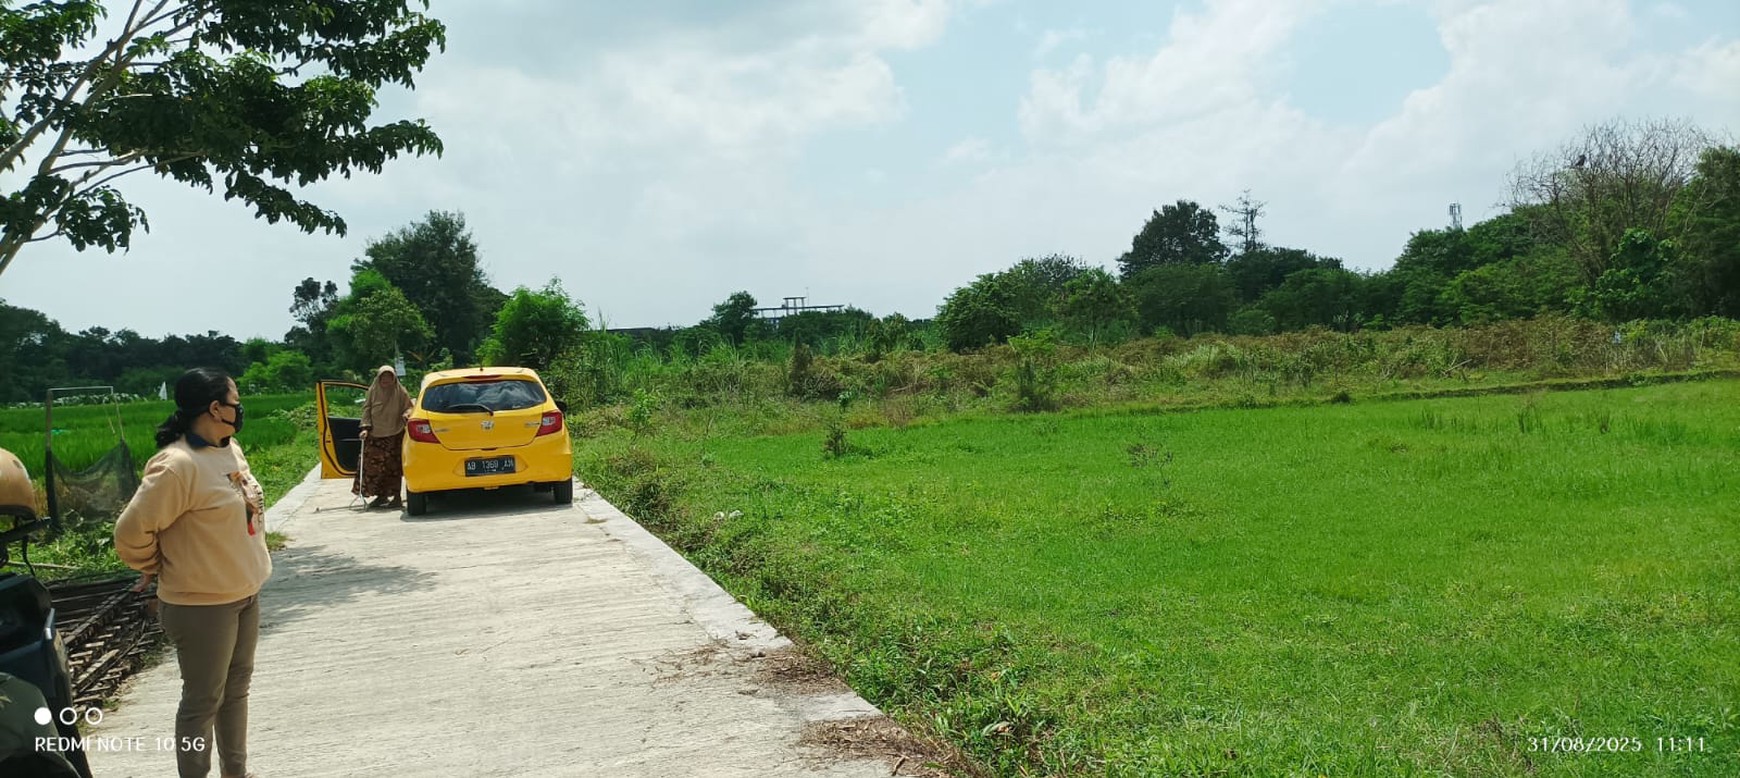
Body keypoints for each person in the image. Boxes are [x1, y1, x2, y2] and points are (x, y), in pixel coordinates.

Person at [114, 367, 269, 778]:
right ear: (215, 408)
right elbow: (130, 533)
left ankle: (236, 772)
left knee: (235, 692)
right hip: (202, 606)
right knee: (203, 702)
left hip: (244, 594)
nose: (240, 409)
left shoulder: (229, 450)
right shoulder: (177, 465)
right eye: (235, 402)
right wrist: (154, 564)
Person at [355, 365, 413, 509]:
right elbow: (367, 409)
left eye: (389, 377)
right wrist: (365, 428)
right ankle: (381, 497)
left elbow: (409, 406)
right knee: (375, 468)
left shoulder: (400, 392)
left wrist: (406, 414)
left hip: (395, 435)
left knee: (393, 468)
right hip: (376, 436)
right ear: (379, 378)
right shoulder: (373, 391)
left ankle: (397, 498)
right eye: (383, 377)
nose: (386, 380)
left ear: (394, 378)